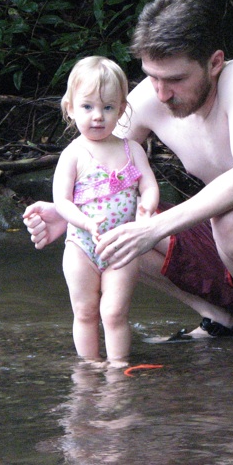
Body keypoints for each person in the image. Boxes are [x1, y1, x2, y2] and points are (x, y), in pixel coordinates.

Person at [24, 0, 233, 353]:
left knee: (228, 214)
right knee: (118, 222)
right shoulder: (151, 96)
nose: (161, 93)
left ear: (214, 63)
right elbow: (96, 164)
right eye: (152, 77)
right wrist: (65, 211)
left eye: (176, 80)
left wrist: (154, 227)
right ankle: (222, 318)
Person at [47, 56, 159, 367]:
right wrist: (84, 221)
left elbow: (148, 185)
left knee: (114, 312)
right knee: (85, 311)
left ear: (122, 109)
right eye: (88, 107)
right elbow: (62, 201)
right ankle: (89, 365)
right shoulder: (73, 155)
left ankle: (119, 365)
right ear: (70, 107)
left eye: (108, 108)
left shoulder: (131, 150)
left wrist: (147, 205)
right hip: (81, 246)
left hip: (122, 246)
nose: (98, 116)